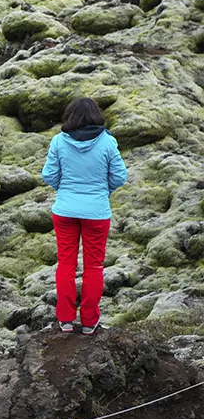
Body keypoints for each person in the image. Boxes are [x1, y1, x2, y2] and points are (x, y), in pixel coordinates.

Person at [41, 97, 127, 335]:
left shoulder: (59, 141)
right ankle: (89, 322)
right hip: (97, 213)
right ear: (96, 116)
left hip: (65, 211)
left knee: (66, 265)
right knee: (94, 267)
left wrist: (65, 189)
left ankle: (66, 320)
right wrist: (102, 191)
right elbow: (119, 176)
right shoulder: (108, 142)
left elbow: (48, 175)